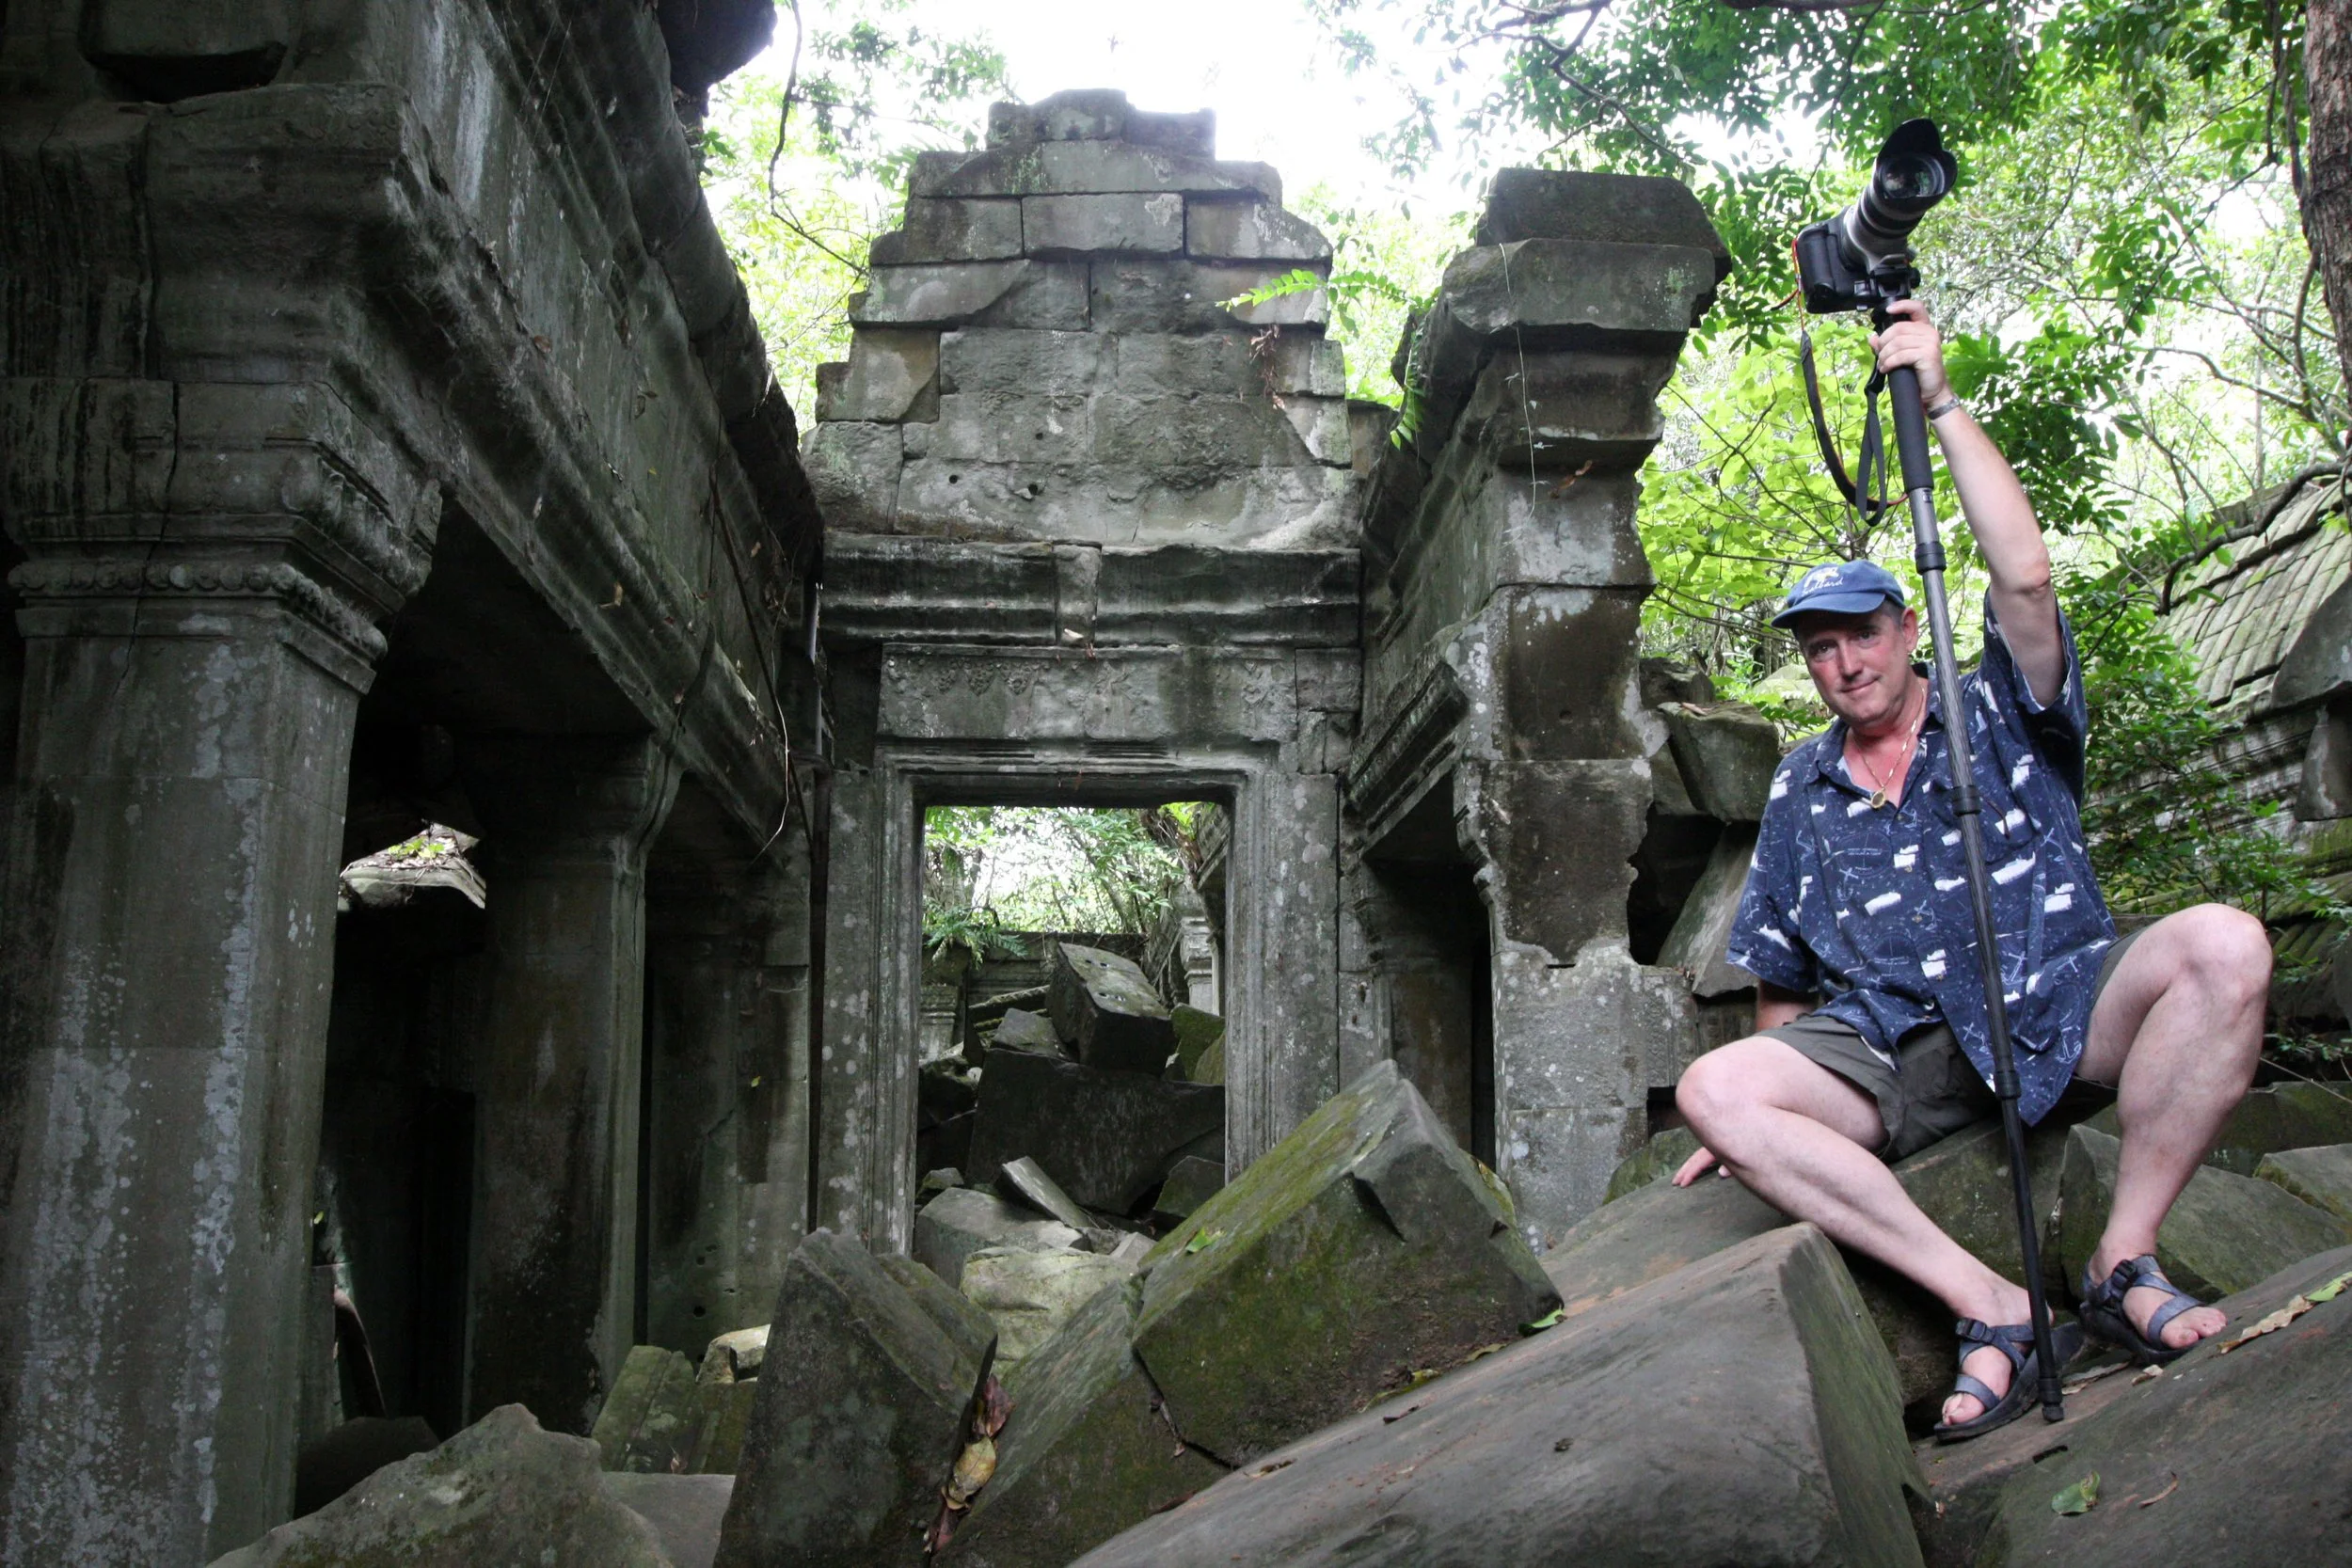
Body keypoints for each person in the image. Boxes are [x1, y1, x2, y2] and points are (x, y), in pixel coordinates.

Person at [1672, 299, 2271, 1442]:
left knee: (2227, 941)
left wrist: (1939, 401)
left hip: (2059, 998)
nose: (1843, 663)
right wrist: (1759, 1101)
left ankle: (2121, 1260)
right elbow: (1782, 975)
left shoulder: (1999, 705)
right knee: (1717, 1085)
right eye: (1818, 648)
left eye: (1860, 633)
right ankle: (1992, 1303)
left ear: (1907, 628)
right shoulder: (1801, 784)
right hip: (1897, 1051)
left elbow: (2027, 579)